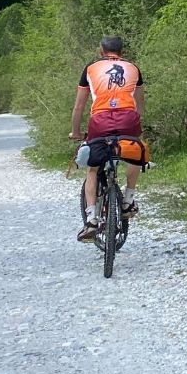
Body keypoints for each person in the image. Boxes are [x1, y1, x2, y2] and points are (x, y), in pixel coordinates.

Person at [70, 35, 145, 242]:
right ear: (122, 51)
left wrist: (75, 132)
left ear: (101, 51)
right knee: (135, 152)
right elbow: (139, 104)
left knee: (93, 169)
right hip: (129, 119)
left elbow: (79, 107)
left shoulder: (90, 69)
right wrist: (137, 127)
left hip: (100, 121)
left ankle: (92, 220)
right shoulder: (134, 68)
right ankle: (128, 200)